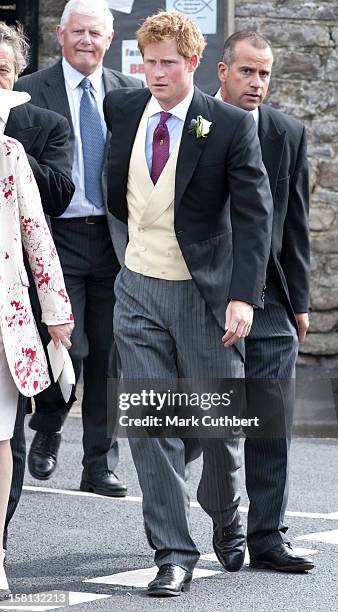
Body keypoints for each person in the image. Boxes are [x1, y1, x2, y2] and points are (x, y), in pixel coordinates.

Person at [104, 10, 273, 597]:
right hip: (139, 288)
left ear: (193, 63)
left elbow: (254, 220)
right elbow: (117, 192)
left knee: (220, 427)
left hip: (205, 297)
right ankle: (173, 552)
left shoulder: (227, 124)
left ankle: (228, 516)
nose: (154, 74)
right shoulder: (122, 109)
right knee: (151, 426)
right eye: (148, 63)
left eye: (167, 64)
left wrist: (242, 299)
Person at [16, 0, 143, 496]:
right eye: (79, 32)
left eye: (97, 33)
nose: (88, 41)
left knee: (109, 355)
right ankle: (47, 425)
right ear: (60, 34)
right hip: (55, 237)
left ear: (110, 40)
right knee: (61, 345)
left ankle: (99, 464)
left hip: (112, 239)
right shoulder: (28, 92)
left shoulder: (129, 92)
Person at [217, 30, 313, 572]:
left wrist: (298, 300)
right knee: (209, 422)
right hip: (208, 293)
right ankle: (218, 524)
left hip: (271, 296)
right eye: (248, 71)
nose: (257, 82)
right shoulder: (196, 122)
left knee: (270, 415)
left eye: (265, 73)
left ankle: (268, 535)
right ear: (223, 71)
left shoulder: (287, 132)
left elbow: (294, 222)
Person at [0, 21, 75, 553]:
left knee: (3, 438)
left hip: (8, 309)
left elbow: (39, 235)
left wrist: (56, 312)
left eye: (0, 71)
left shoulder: (17, 147)